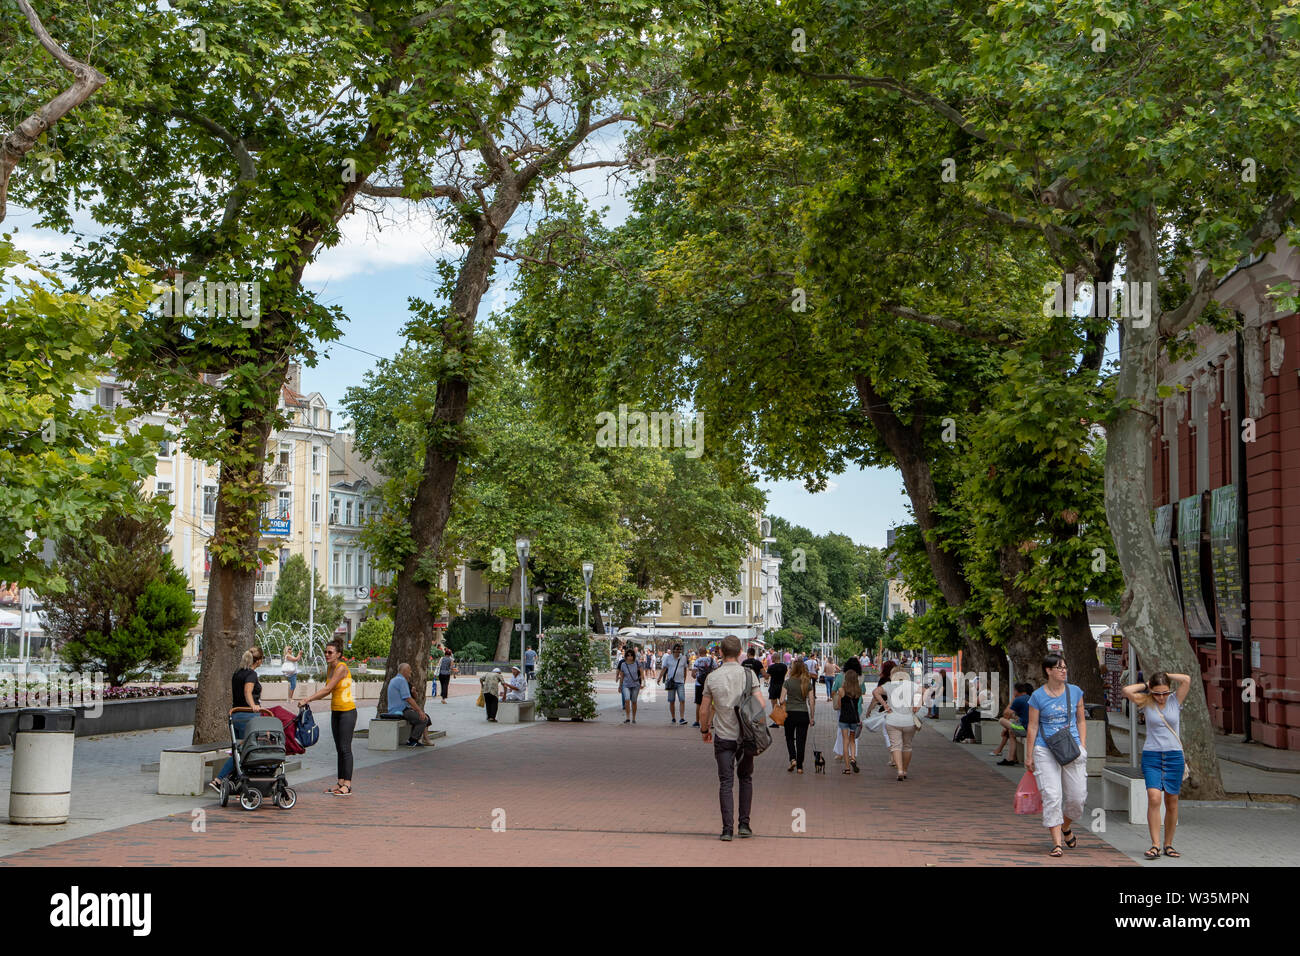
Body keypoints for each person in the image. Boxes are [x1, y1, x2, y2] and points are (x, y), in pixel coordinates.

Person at [700, 635, 766, 840]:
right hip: (746, 736)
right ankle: (744, 825)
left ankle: (727, 829)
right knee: (745, 778)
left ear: (720, 652)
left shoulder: (713, 677)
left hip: (723, 734)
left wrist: (705, 730)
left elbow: (704, 710)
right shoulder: (749, 675)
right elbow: (761, 704)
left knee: (725, 782)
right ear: (740, 653)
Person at [1123, 671, 1192, 860]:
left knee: (1172, 801)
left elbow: (1186, 679)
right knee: (1154, 798)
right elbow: (1127, 690)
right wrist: (1147, 684)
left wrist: (1165, 675)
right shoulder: (1146, 702)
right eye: (1157, 693)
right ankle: (1155, 844)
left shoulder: (1175, 700)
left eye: (1165, 692)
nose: (1161, 697)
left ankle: (1168, 844)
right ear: (1151, 691)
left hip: (1174, 755)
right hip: (1152, 755)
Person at [1026, 653, 1088, 858]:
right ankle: (1057, 844)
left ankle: (1065, 826)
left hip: (1072, 748)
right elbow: (1033, 726)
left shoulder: (1075, 692)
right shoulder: (1037, 696)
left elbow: (1081, 720)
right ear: (1048, 670)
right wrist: (1029, 755)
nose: (1064, 670)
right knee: (1052, 795)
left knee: (1077, 799)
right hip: (1045, 749)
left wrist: (1083, 745)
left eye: (1065, 667)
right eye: (1059, 667)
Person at [297, 638, 357, 796]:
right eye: (325, 652)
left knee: (345, 748)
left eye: (330, 652)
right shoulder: (330, 667)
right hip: (336, 711)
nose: (326, 654)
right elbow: (328, 689)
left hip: (347, 711)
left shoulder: (341, 668)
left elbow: (328, 689)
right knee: (339, 749)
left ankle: (348, 785)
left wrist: (307, 699)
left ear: (338, 654)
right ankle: (340, 782)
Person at [210, 647, 271, 789]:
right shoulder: (251, 674)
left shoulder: (237, 673)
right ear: (259, 661)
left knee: (239, 750)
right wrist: (253, 705)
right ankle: (218, 780)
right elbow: (247, 691)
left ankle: (236, 782)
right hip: (248, 717)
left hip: (236, 716)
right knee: (245, 750)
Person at [873, 665, 920, 780]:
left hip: (892, 720)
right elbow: (925, 691)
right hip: (908, 720)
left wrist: (884, 704)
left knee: (896, 746)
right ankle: (904, 770)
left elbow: (875, 692)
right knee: (907, 746)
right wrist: (918, 704)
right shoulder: (912, 685)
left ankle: (899, 770)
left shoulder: (889, 685)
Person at [779, 658, 815, 774]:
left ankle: (792, 758)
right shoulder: (807, 683)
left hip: (789, 713)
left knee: (789, 738)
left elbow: (781, 700)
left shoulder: (788, 682)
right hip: (803, 714)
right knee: (801, 740)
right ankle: (800, 766)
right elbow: (811, 701)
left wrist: (785, 704)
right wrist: (812, 717)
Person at [386, 662, 432, 747]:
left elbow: (413, 697)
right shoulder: (401, 681)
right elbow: (408, 698)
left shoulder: (396, 679)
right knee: (423, 719)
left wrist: (414, 693)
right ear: (404, 671)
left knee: (425, 717)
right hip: (399, 710)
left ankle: (423, 739)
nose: (411, 672)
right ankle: (412, 741)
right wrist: (419, 711)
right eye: (409, 670)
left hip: (400, 708)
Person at [991, 682, 1033, 765]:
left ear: (1017, 691)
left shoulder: (1019, 699)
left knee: (1001, 720)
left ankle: (1009, 758)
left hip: (1025, 729)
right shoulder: (1030, 698)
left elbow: (1006, 714)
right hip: (1031, 728)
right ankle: (1011, 759)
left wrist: (1013, 699)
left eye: (1014, 691)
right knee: (1011, 732)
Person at [833, 668, 863, 774]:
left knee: (845, 741)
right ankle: (853, 758)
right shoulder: (858, 690)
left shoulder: (842, 690)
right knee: (852, 740)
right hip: (854, 718)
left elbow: (840, 705)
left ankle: (847, 768)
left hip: (844, 717)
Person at [659, 643, 691, 725]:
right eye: (676, 649)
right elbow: (664, 668)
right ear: (673, 650)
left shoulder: (683, 658)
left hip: (680, 682)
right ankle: (673, 717)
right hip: (671, 682)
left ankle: (682, 718)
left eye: (679, 649)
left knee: (682, 700)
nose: (677, 651)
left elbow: (685, 669)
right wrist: (659, 678)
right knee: (671, 701)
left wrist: (684, 679)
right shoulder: (668, 658)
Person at [618, 647, 643, 724]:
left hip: (635, 685)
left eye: (631, 655)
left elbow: (642, 673)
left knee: (634, 701)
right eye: (628, 655)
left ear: (633, 656)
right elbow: (622, 676)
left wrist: (642, 682)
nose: (630, 657)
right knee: (627, 700)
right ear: (626, 656)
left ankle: (634, 718)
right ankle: (628, 717)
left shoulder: (637, 663)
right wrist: (620, 686)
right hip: (626, 685)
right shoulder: (623, 664)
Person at [692, 648, 715, 727]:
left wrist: (696, 676)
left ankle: (697, 722)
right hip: (709, 684)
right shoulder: (712, 660)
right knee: (709, 704)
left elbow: (693, 674)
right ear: (706, 652)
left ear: (699, 652)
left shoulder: (697, 661)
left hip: (699, 684)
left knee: (698, 704)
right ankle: (709, 722)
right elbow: (717, 669)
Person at [766, 654, 789, 728]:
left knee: (774, 705)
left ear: (775, 658)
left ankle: (776, 722)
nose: (771, 659)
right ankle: (784, 719)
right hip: (782, 686)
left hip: (773, 686)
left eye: (772, 658)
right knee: (782, 703)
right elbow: (785, 675)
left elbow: (767, 676)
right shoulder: (784, 666)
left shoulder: (771, 667)